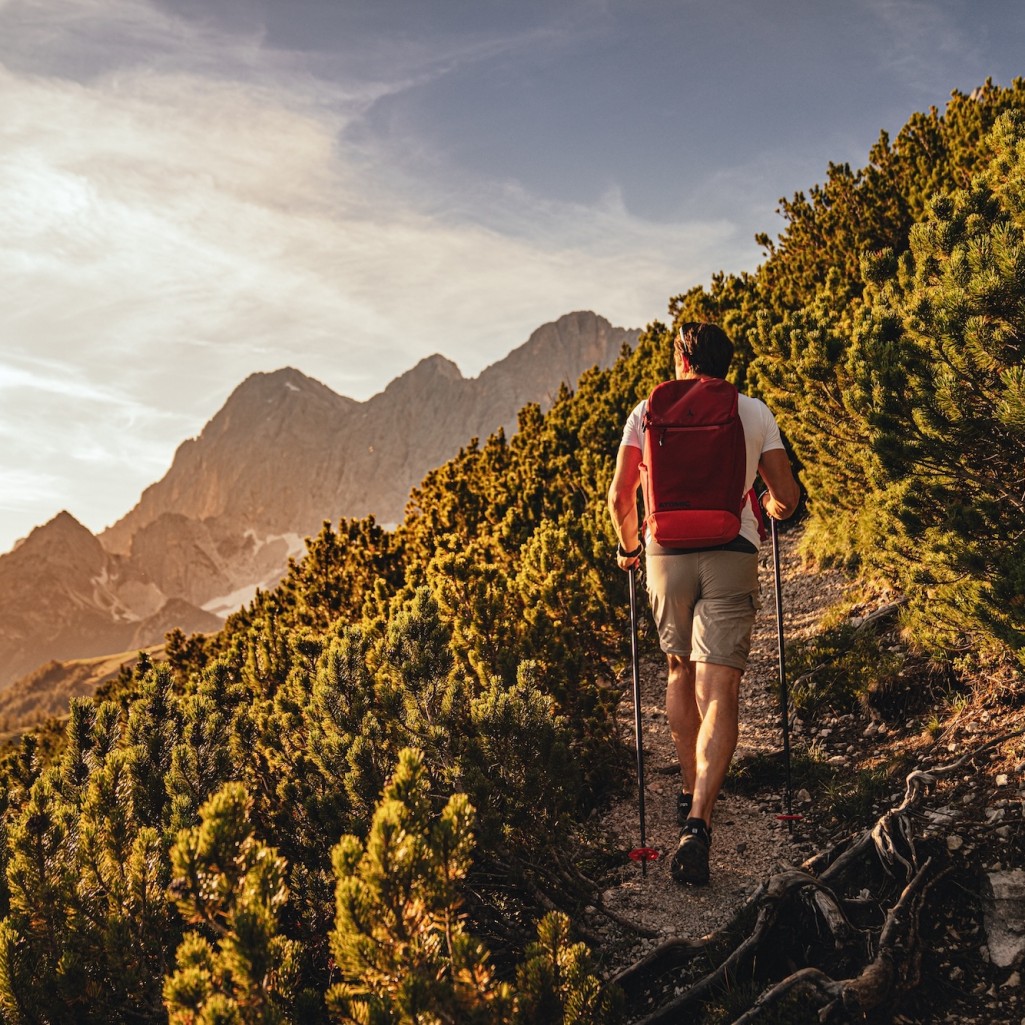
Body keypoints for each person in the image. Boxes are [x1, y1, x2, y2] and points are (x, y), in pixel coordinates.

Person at [607, 322, 800, 886]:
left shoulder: (645, 411)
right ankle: (698, 821)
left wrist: (627, 549)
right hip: (732, 546)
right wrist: (774, 508)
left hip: (665, 551)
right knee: (721, 684)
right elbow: (786, 495)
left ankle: (690, 782)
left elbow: (619, 494)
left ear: (681, 359)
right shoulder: (753, 410)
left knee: (678, 669)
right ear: (724, 362)